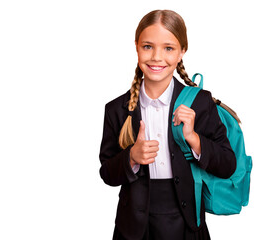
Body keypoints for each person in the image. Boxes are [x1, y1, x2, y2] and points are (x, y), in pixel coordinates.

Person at [99, 9, 236, 240]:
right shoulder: (116, 109)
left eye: (168, 48)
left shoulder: (200, 103)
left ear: (182, 51)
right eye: (148, 46)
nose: (156, 57)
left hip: (187, 225)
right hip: (133, 229)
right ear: (136, 46)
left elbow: (228, 165)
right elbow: (107, 174)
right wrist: (131, 157)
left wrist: (194, 138)